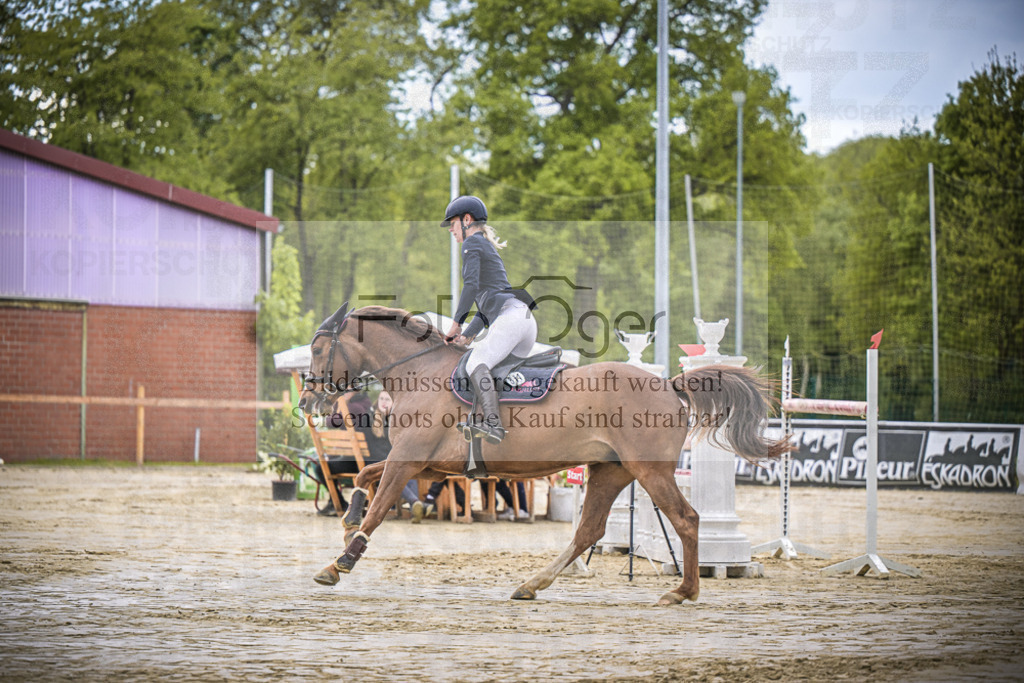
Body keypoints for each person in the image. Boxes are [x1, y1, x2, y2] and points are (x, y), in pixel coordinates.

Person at [441, 195, 537, 444]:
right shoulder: (484, 245)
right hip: (523, 320)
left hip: (512, 317)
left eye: (452, 223)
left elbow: (470, 287)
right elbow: (487, 307)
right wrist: (469, 335)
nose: (451, 229)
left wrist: (456, 324)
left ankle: (493, 424)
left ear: (467, 220)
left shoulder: (472, 243)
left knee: (475, 363)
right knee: (496, 372)